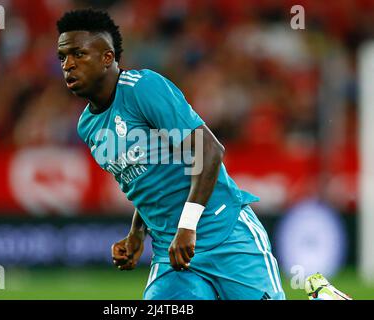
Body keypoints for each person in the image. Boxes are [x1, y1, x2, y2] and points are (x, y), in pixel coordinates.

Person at [56, 8, 285, 300]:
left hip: (225, 236)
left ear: (107, 58)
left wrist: (188, 226)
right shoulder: (87, 126)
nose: (68, 65)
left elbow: (210, 150)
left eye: (78, 54)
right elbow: (146, 178)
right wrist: (137, 232)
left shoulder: (143, 89)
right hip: (173, 254)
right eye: (63, 57)